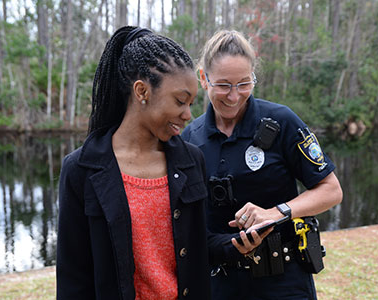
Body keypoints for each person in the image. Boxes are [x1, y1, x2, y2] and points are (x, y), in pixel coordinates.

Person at [181, 30, 343, 300]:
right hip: (219, 286)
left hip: (284, 282)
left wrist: (276, 212)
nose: (234, 96)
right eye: (223, 85)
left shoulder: (282, 122)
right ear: (203, 78)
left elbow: (331, 190)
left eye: (244, 83)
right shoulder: (189, 138)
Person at [56, 26, 212, 300]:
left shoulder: (191, 161)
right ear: (142, 91)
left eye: (191, 103)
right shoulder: (80, 170)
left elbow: (200, 249)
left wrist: (238, 242)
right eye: (180, 101)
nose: (188, 115)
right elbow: (73, 279)